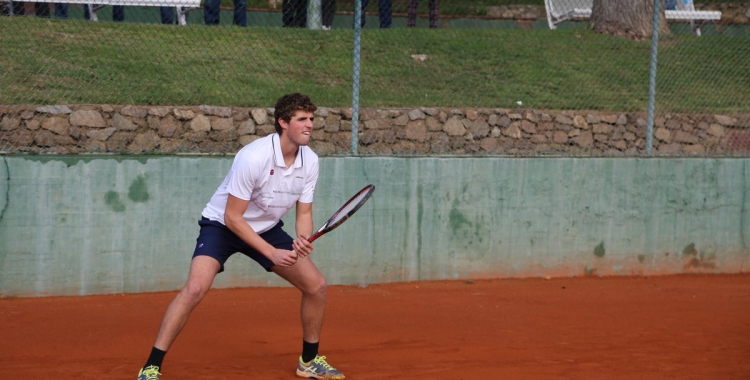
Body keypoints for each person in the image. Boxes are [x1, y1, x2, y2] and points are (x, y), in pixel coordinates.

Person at [135, 93, 346, 380]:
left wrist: (302, 239)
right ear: (283, 122)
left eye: (311, 119)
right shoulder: (253, 156)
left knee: (316, 286)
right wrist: (271, 253)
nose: (310, 125)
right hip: (222, 226)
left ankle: (308, 361)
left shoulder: (310, 160)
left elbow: (304, 212)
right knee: (195, 288)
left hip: (267, 228)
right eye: (302, 119)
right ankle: (151, 366)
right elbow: (233, 217)